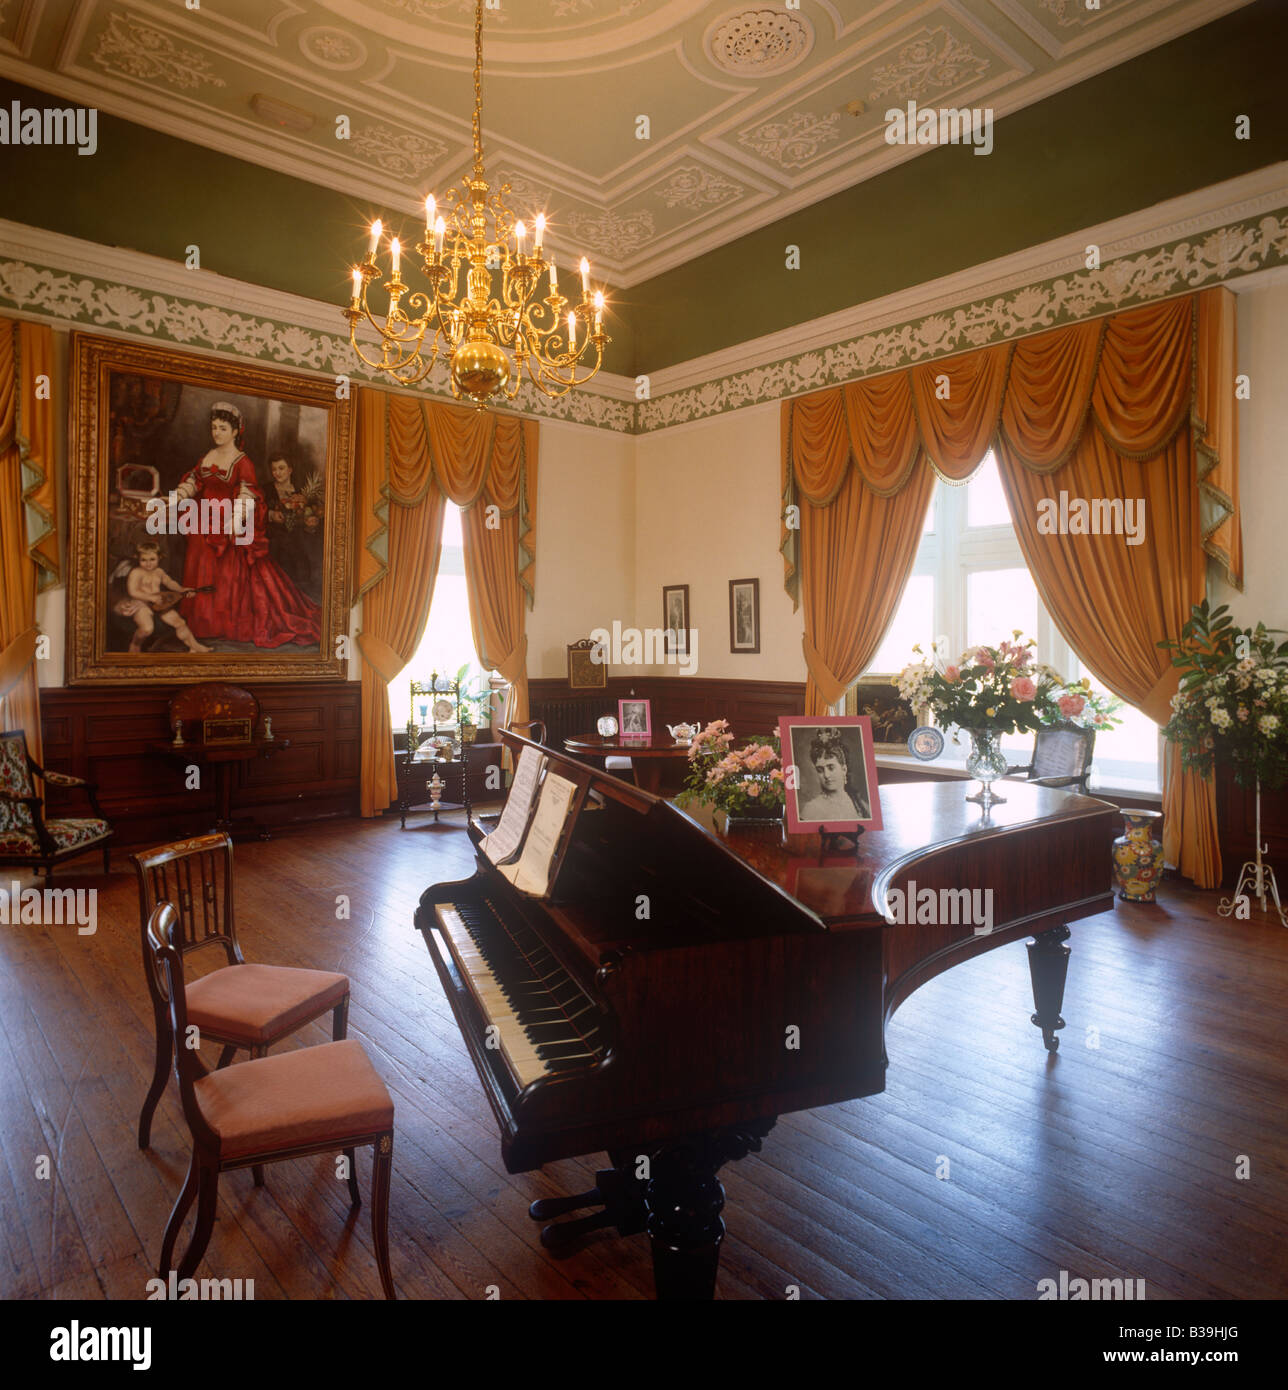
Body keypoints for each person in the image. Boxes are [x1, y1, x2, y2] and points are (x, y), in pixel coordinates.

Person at [173, 403, 321, 648]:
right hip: (204, 522)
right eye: (214, 428)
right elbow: (194, 481)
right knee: (201, 564)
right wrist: (178, 496)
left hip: (229, 523)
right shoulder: (207, 457)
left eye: (223, 428)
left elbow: (247, 493)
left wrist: (235, 519)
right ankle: (203, 623)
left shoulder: (242, 462)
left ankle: (225, 623)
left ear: (235, 432)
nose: (217, 433)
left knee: (229, 574)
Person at [112, 542, 210, 653]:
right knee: (147, 629)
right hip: (142, 604)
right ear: (138, 559)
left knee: (180, 623)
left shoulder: (159, 572)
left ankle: (194, 647)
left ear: (159, 557)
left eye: (152, 559)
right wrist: (150, 597)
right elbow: (133, 591)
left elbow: (170, 582)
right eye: (144, 560)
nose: (148, 564)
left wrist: (182, 589)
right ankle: (135, 644)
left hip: (159, 603)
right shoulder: (136, 572)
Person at [264, 454, 320, 592]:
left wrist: (309, 521)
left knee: (302, 560)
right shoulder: (266, 489)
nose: (277, 472)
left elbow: (309, 516)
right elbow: (257, 511)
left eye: (281, 468)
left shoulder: (300, 492)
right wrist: (271, 515)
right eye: (274, 469)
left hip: (297, 536)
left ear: (290, 470)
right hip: (274, 536)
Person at [798, 728, 870, 821]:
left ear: (844, 769)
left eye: (831, 768)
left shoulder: (859, 804)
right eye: (820, 770)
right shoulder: (811, 810)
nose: (826, 775)